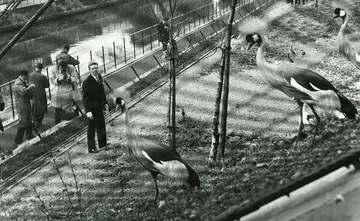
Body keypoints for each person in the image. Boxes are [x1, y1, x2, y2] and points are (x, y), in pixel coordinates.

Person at [82, 61, 108, 153]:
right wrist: (88, 111)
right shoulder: (87, 82)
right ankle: (91, 148)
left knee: (101, 125)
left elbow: (102, 92)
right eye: (92, 68)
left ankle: (103, 144)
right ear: (89, 70)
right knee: (92, 128)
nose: (95, 70)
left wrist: (105, 103)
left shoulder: (99, 77)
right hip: (92, 109)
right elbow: (85, 98)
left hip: (99, 107)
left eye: (96, 68)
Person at [51, 59, 78, 125]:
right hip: (58, 92)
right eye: (60, 67)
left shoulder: (71, 68)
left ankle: (76, 119)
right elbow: (52, 80)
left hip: (68, 91)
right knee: (58, 110)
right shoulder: (54, 70)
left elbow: (76, 77)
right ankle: (57, 125)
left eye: (64, 67)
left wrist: (70, 79)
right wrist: (57, 80)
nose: (62, 69)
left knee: (73, 106)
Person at [13, 70, 36, 146]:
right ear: (23, 75)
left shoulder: (22, 82)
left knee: (28, 120)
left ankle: (29, 135)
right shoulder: (18, 83)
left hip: (25, 104)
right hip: (22, 106)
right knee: (23, 122)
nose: (28, 77)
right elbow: (24, 92)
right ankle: (17, 141)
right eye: (27, 75)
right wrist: (31, 87)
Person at [29, 63, 50, 128]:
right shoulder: (42, 76)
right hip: (41, 95)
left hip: (32, 95)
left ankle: (33, 122)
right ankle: (39, 123)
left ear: (35, 68)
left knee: (33, 109)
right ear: (41, 69)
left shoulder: (29, 75)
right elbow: (47, 85)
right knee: (42, 110)